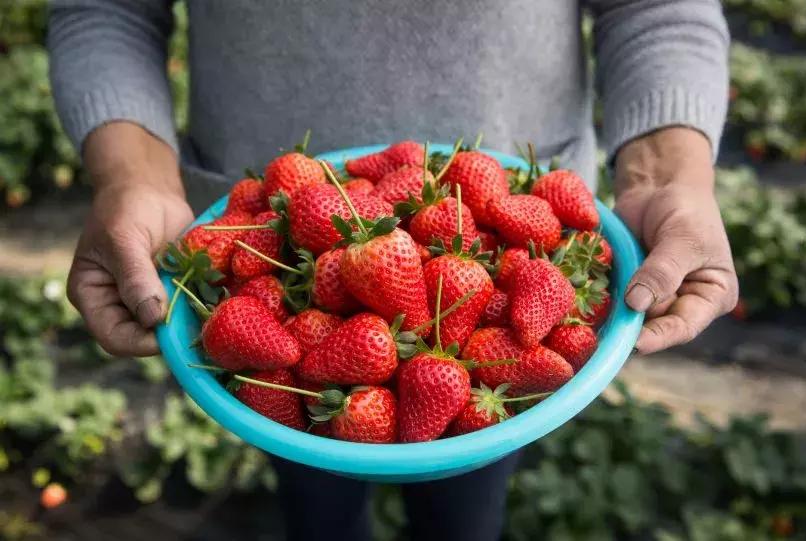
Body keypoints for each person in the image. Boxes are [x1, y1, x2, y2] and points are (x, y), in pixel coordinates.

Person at [48, 1, 738, 540]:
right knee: (313, 489)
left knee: (466, 496)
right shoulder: (294, 314)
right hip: (261, 234)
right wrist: (130, 177)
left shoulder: (508, 291)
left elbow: (657, 5)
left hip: (513, 211)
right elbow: (104, 6)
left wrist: (668, 173)